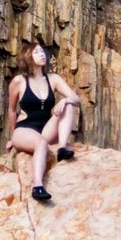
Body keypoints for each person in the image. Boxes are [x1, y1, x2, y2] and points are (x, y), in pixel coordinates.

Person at [5, 40, 82, 204]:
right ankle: (37, 186)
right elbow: (12, 110)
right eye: (36, 52)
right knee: (40, 144)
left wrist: (64, 101)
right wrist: (12, 137)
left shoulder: (53, 79)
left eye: (42, 51)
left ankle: (62, 148)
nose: (42, 54)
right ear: (27, 57)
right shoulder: (19, 81)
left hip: (46, 128)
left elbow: (76, 98)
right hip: (24, 129)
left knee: (68, 105)